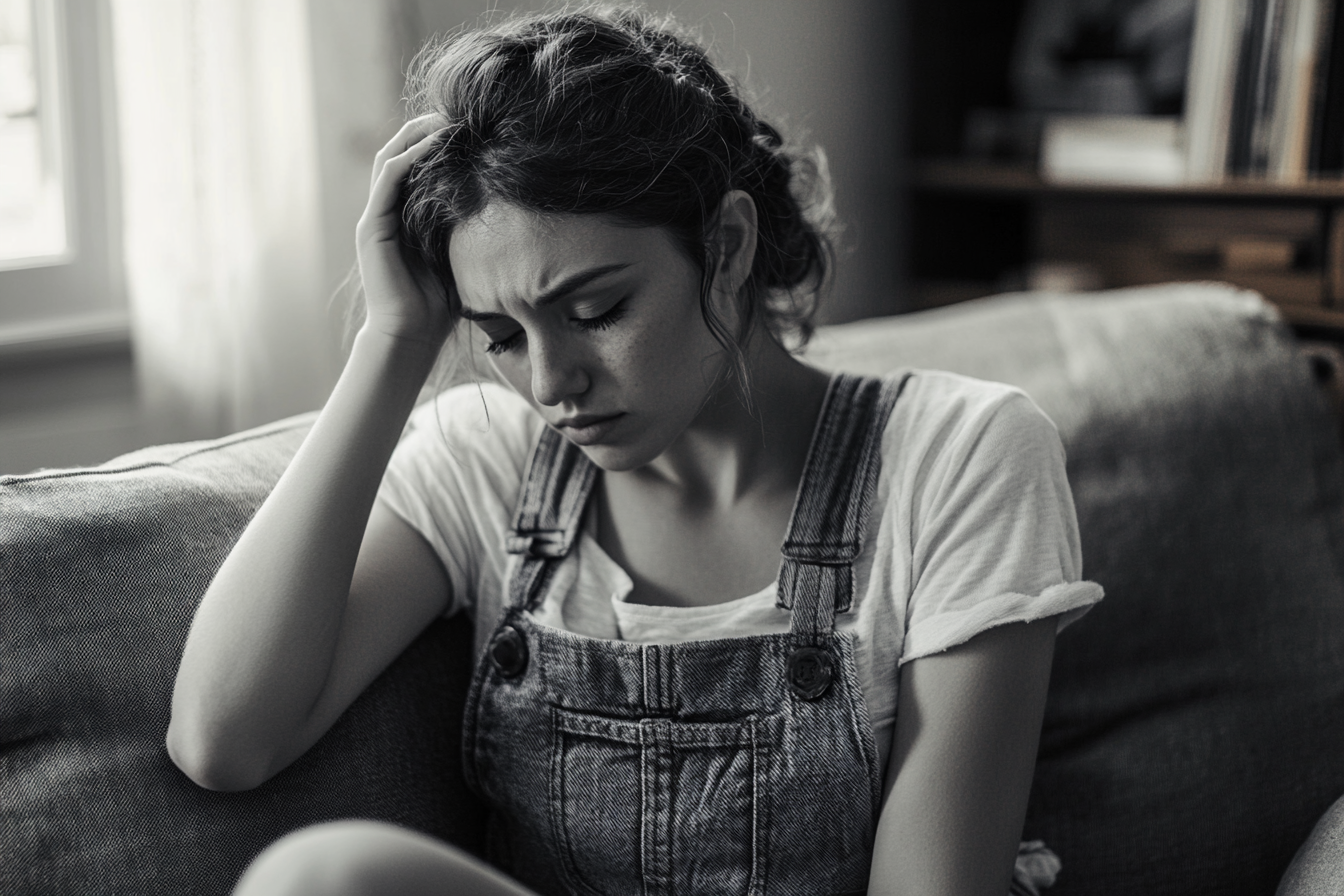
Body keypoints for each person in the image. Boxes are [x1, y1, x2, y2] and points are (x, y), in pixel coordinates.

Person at [167, 7, 1103, 895]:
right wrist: (394, 342)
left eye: (594, 312)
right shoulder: (489, 459)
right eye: (499, 334)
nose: (548, 384)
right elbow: (224, 740)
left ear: (727, 246)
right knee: (322, 879)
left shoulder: (962, 454)